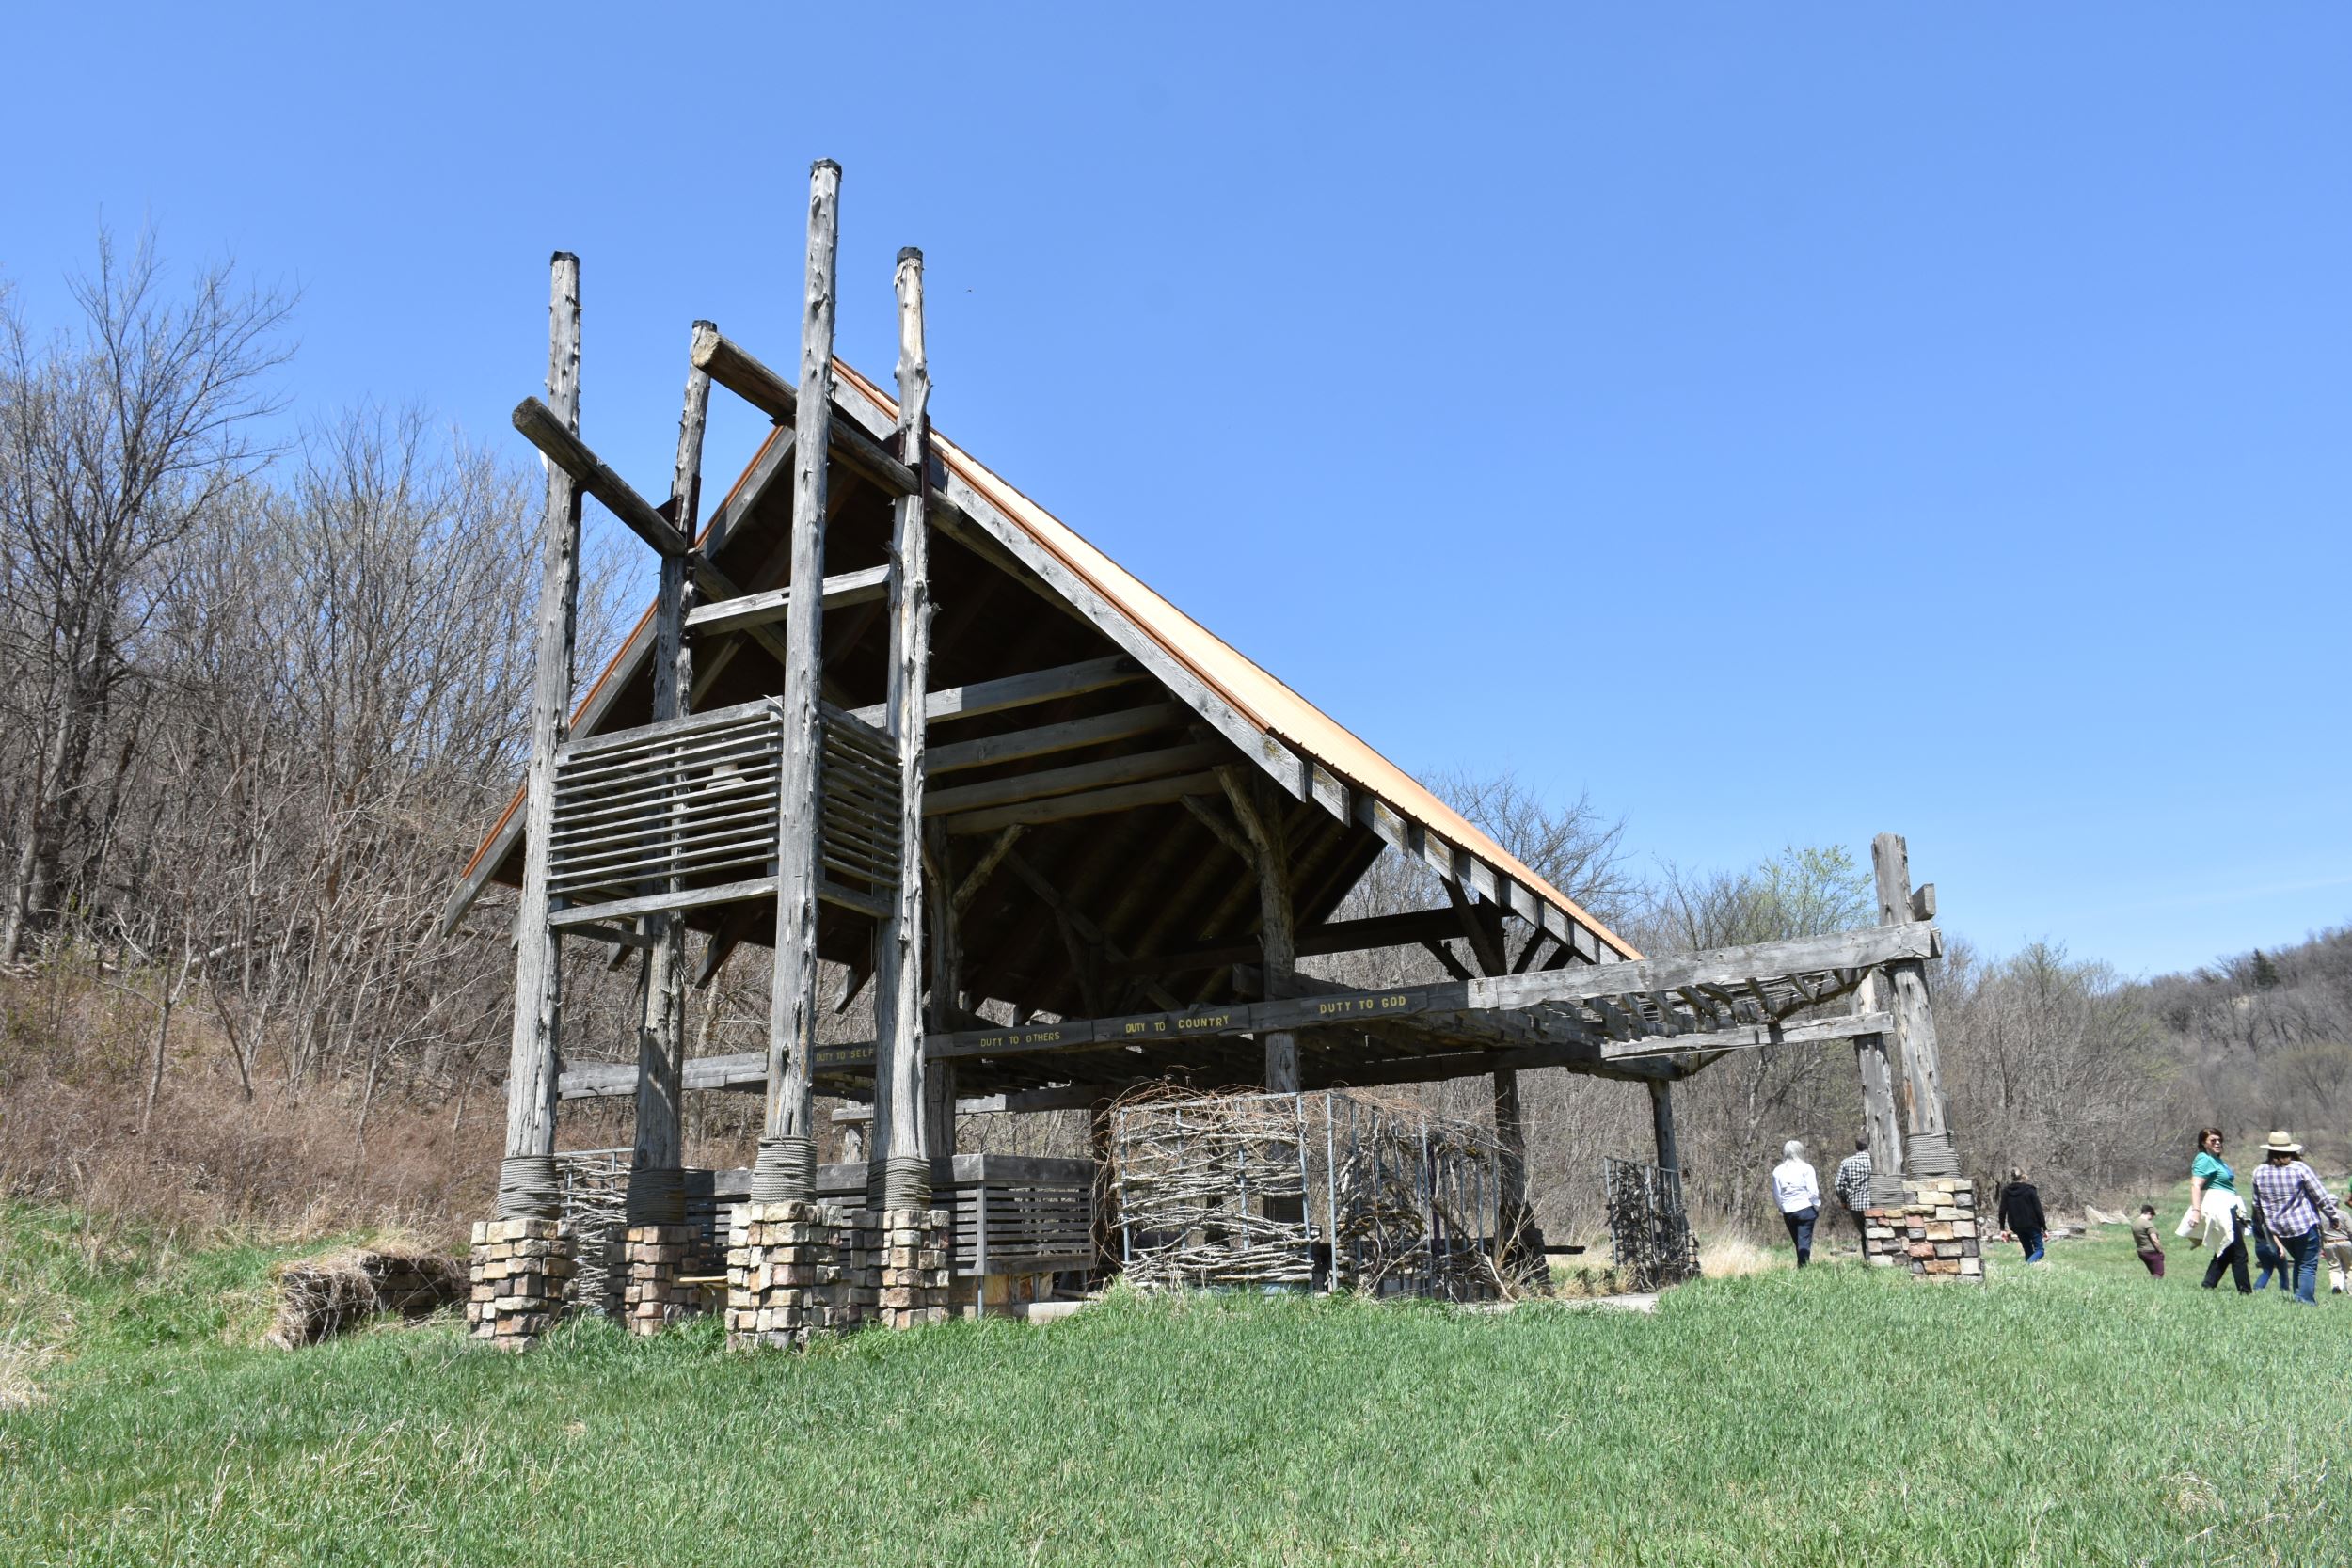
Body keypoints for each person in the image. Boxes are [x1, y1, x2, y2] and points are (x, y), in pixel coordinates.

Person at [2248, 1131, 2342, 1306]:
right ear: (2291, 1150)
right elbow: (2320, 1196)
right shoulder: (2299, 1168)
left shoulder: (2259, 1171)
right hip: (2304, 1224)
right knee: (2307, 1264)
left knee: (2299, 1260)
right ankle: (2304, 1301)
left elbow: (2256, 1203)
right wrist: (2333, 1216)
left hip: (2279, 1229)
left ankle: (2299, 1297)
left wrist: (2266, 1227)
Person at [2183, 1127, 2251, 1294]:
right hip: (2218, 1208)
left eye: (2220, 1140)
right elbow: (2196, 1185)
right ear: (2203, 1143)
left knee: (2227, 1250)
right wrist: (2196, 1211)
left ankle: (2208, 1285)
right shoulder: (2203, 1158)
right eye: (2213, 1140)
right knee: (2239, 1253)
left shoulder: (2218, 1160)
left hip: (2228, 1206)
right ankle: (2246, 1293)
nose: (2218, 1143)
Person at [1771, 1139, 1822, 1267]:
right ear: (1800, 1151)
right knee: (1803, 1241)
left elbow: (1777, 1194)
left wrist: (1782, 1207)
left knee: (1798, 1241)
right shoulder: (1807, 1168)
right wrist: (1815, 1205)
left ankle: (1802, 1265)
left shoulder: (1778, 1171)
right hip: (1806, 1207)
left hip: (1788, 1210)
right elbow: (1813, 1191)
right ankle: (1803, 1268)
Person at [1997, 1168, 2046, 1263]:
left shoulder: (2006, 1191)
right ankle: (2027, 1266)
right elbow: (2038, 1210)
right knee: (2040, 1250)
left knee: (2028, 1250)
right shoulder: (2030, 1190)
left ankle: (2029, 1273)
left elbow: (2002, 1211)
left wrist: (2002, 1228)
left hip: (2017, 1226)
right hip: (2032, 1225)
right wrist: (2044, 1228)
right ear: (2023, 1176)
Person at [1833, 1137, 1873, 1246]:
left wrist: (1844, 1200)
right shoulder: (1876, 1161)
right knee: (1874, 1234)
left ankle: (1868, 1260)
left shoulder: (1846, 1162)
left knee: (1864, 1235)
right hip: (1874, 1203)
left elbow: (1839, 1184)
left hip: (1855, 1204)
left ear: (1856, 1147)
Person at [2323, 1185, 2352, 1297]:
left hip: (2329, 1243)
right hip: (2345, 1242)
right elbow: (2351, 1230)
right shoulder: (2344, 1214)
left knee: (2334, 1267)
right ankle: (2351, 1292)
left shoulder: (2321, 1215)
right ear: (2337, 1203)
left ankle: (2336, 1285)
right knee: (2349, 1267)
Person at [2130, 1203, 2166, 1277]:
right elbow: (2154, 1239)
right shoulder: (2147, 1224)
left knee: (2153, 1273)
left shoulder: (2135, 1223)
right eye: (2152, 1215)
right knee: (2159, 1273)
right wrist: (2160, 1251)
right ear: (2149, 1213)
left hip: (2141, 1251)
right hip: (2151, 1252)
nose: (2152, 1218)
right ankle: (2153, 1287)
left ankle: (2151, 1286)